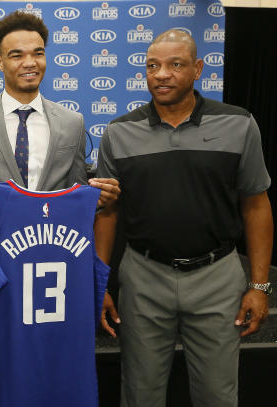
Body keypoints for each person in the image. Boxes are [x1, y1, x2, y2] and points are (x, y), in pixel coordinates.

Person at [96, 29, 273, 407]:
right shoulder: (118, 132)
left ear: (197, 69)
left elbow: (257, 205)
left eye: (175, 65)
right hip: (143, 278)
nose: (161, 74)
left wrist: (260, 287)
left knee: (217, 395)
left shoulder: (239, 124)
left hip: (217, 276)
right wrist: (100, 284)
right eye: (153, 66)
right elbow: (107, 212)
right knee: (139, 394)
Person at [0, 11, 120, 368]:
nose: (30, 62)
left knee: (49, 372)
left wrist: (99, 202)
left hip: (53, 278)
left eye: (38, 52)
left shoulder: (72, 123)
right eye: (16, 54)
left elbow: (76, 202)